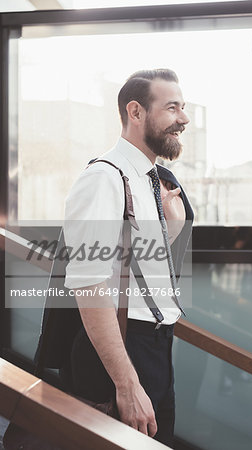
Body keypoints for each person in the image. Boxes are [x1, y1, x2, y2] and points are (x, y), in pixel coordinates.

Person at [63, 68, 193, 448]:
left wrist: (171, 226)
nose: (183, 118)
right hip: (122, 349)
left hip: (155, 346)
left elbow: (136, 266)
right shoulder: (103, 178)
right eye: (172, 108)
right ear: (135, 112)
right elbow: (89, 284)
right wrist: (127, 383)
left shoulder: (153, 178)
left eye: (182, 107)